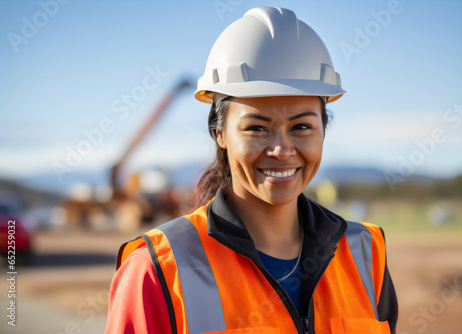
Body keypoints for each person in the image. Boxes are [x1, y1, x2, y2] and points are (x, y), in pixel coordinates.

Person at [105, 7, 398, 334]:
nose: (283, 150)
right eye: (257, 128)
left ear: (324, 130)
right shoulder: (156, 271)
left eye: (301, 126)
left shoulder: (365, 253)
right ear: (220, 133)